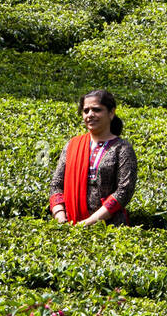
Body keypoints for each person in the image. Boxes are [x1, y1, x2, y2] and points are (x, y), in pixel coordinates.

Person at [49, 90, 136, 227]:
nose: (90, 115)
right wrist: (60, 216)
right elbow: (56, 185)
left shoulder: (122, 148)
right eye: (86, 111)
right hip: (70, 224)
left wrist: (90, 222)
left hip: (110, 228)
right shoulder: (72, 145)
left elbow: (124, 191)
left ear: (111, 113)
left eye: (96, 110)